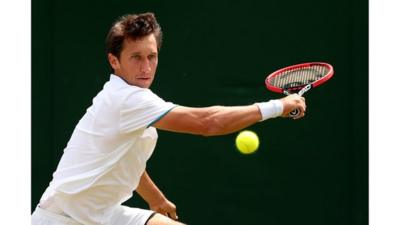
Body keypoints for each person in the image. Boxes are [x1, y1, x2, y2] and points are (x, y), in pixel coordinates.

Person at [31, 12, 306, 225]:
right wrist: (277, 106)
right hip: (63, 218)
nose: (146, 67)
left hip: (101, 214)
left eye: (152, 56)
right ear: (114, 61)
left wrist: (155, 198)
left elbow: (123, 158)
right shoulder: (127, 99)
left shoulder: (130, 98)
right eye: (136, 57)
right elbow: (208, 123)